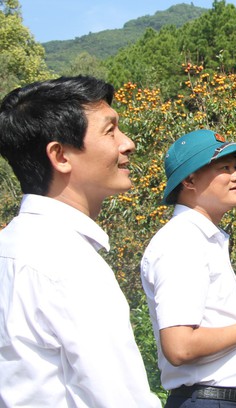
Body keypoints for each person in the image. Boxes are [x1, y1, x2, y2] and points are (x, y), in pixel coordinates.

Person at [0, 76, 160, 407]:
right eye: (110, 130)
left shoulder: (12, 248)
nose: (127, 142)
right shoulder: (67, 263)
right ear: (60, 156)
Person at [140, 129, 236, 408]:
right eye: (224, 168)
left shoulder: (200, 239)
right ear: (190, 180)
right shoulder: (183, 241)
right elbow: (180, 346)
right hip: (207, 401)